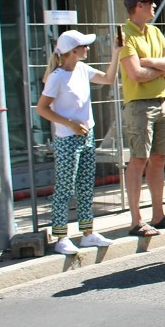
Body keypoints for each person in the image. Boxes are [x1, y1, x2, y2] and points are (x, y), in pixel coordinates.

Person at [35, 30, 121, 254]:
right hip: (67, 139)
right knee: (64, 187)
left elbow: (108, 79)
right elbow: (42, 109)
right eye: (84, 46)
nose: (88, 48)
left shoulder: (82, 69)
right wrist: (69, 123)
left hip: (86, 135)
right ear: (73, 51)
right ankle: (61, 236)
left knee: (84, 186)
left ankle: (87, 233)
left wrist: (116, 54)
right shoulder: (56, 77)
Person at [118, 0, 165, 237]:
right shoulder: (125, 35)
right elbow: (135, 74)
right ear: (138, 6)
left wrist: (150, 63)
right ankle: (136, 220)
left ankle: (159, 215)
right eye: (150, 2)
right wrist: (161, 68)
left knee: (158, 159)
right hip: (139, 105)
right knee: (138, 160)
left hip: (161, 102)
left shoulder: (154, 32)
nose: (154, 6)